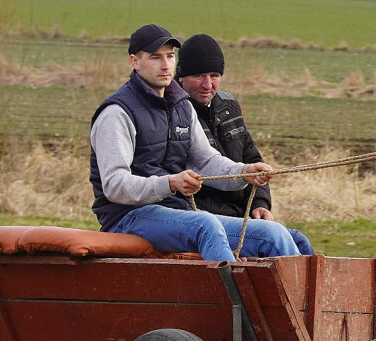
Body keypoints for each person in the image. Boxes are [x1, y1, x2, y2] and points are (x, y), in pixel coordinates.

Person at [88, 24, 305, 260]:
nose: (165, 65)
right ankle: (231, 285)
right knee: (205, 224)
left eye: (170, 56)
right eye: (155, 57)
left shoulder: (181, 106)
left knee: (273, 234)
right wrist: (170, 183)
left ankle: (304, 288)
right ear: (135, 62)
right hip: (128, 217)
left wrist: (243, 173)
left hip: (175, 212)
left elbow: (206, 161)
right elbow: (115, 186)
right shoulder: (117, 113)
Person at [174, 33, 315, 255]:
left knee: (299, 241)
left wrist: (260, 203)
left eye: (214, 75)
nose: (207, 84)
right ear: (181, 76)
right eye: (199, 75)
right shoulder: (172, 112)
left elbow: (252, 158)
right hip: (203, 218)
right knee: (273, 239)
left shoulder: (228, 105)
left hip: (240, 213)